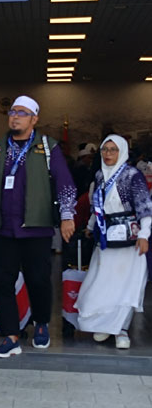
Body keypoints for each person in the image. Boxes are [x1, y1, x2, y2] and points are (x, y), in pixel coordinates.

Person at [0, 95, 76, 358]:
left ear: (34, 119)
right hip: (2, 229)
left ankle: (41, 323)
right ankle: (11, 336)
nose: (15, 116)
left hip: (36, 227)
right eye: (12, 112)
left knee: (39, 280)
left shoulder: (47, 147)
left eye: (22, 112)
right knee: (3, 283)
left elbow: (65, 184)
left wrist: (67, 216)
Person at [74, 135, 151, 348]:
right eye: (105, 150)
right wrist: (90, 227)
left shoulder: (132, 175)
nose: (108, 154)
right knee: (102, 283)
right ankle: (106, 325)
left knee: (125, 286)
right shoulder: (100, 175)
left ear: (122, 152)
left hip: (130, 242)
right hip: (107, 239)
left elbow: (145, 207)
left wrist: (144, 235)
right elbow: (97, 206)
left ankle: (121, 329)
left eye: (113, 150)